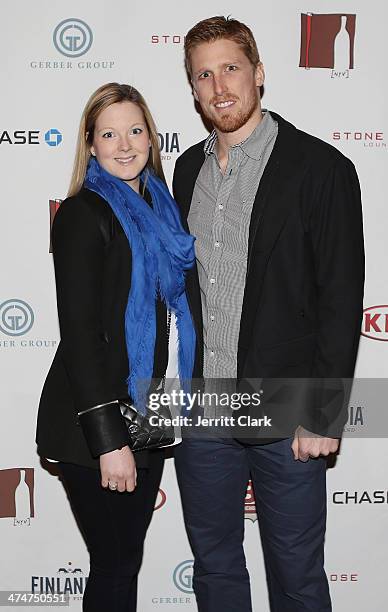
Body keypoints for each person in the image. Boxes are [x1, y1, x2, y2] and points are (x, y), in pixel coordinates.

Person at [173, 16, 364, 612]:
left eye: (230, 67)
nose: (218, 86)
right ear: (194, 90)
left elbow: (340, 299)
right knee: (216, 568)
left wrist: (324, 414)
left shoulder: (321, 168)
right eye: (203, 74)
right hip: (205, 404)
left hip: (287, 405)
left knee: (297, 575)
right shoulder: (185, 172)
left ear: (258, 73)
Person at [36, 82, 196, 612]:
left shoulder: (164, 211)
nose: (124, 144)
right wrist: (109, 441)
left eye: (135, 130)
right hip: (95, 424)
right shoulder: (84, 213)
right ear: (91, 143)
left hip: (148, 415)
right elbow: (80, 335)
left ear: (151, 137)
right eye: (109, 133)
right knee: (114, 565)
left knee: (125, 560)